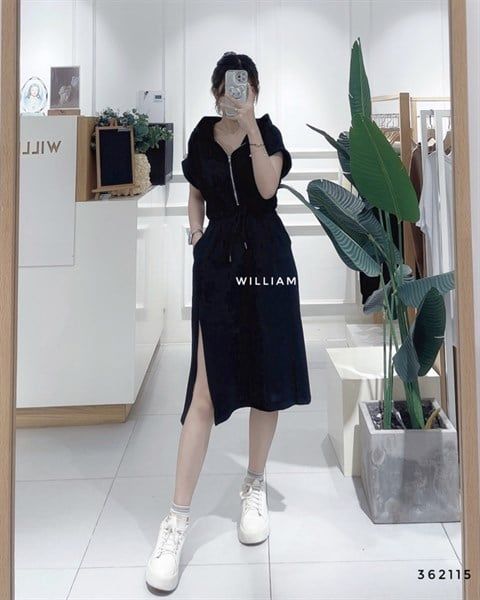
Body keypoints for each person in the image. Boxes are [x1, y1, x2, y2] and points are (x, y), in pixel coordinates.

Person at [145, 51, 311, 593]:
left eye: (245, 86)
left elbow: (266, 189)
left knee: (266, 377)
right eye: (228, 85)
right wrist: (196, 235)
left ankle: (254, 484)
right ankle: (176, 521)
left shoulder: (269, 132)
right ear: (216, 89)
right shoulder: (201, 136)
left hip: (267, 259)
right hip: (218, 262)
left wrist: (252, 127)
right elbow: (196, 193)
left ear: (255, 90)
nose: (235, 93)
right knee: (205, 389)